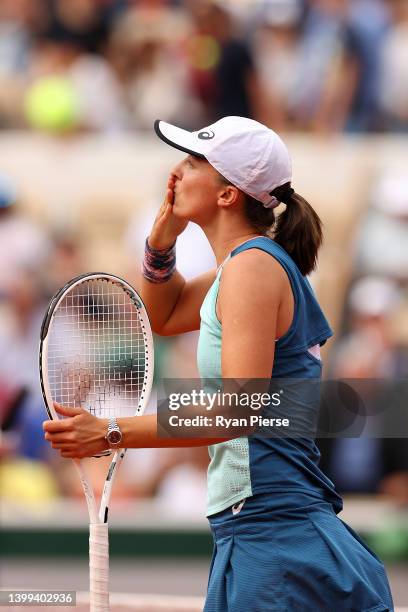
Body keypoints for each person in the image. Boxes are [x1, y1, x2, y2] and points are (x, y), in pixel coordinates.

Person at [43, 116, 394, 611]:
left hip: (276, 535)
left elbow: (235, 413)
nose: (176, 173)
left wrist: (111, 432)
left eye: (192, 161)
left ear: (228, 194)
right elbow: (162, 316)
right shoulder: (245, 266)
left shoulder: (253, 268)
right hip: (257, 530)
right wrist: (161, 241)